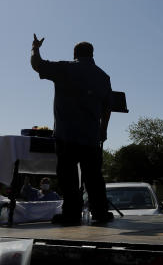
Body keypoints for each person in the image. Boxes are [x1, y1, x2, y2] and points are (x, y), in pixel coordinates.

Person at [31, 34, 113, 226]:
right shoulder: (103, 76)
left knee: (68, 177)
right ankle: (100, 212)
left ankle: (71, 214)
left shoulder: (65, 68)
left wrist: (35, 47)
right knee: (94, 177)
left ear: (75, 54)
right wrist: (103, 129)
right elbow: (107, 107)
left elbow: (37, 65)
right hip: (91, 136)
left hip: (66, 135)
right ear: (92, 54)